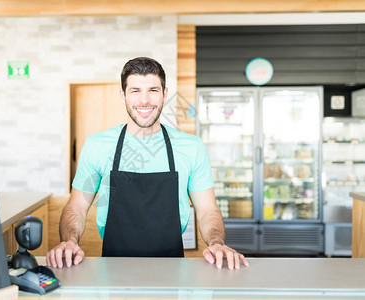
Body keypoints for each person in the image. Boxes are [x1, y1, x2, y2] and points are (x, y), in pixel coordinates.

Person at [46, 57, 249, 270]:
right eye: (135, 91)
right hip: (112, 270)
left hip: (173, 271)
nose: (145, 100)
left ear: (165, 94)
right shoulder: (97, 145)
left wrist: (217, 243)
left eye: (153, 90)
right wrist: (69, 241)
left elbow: (207, 209)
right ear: (122, 95)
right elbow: (77, 205)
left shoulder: (191, 147)